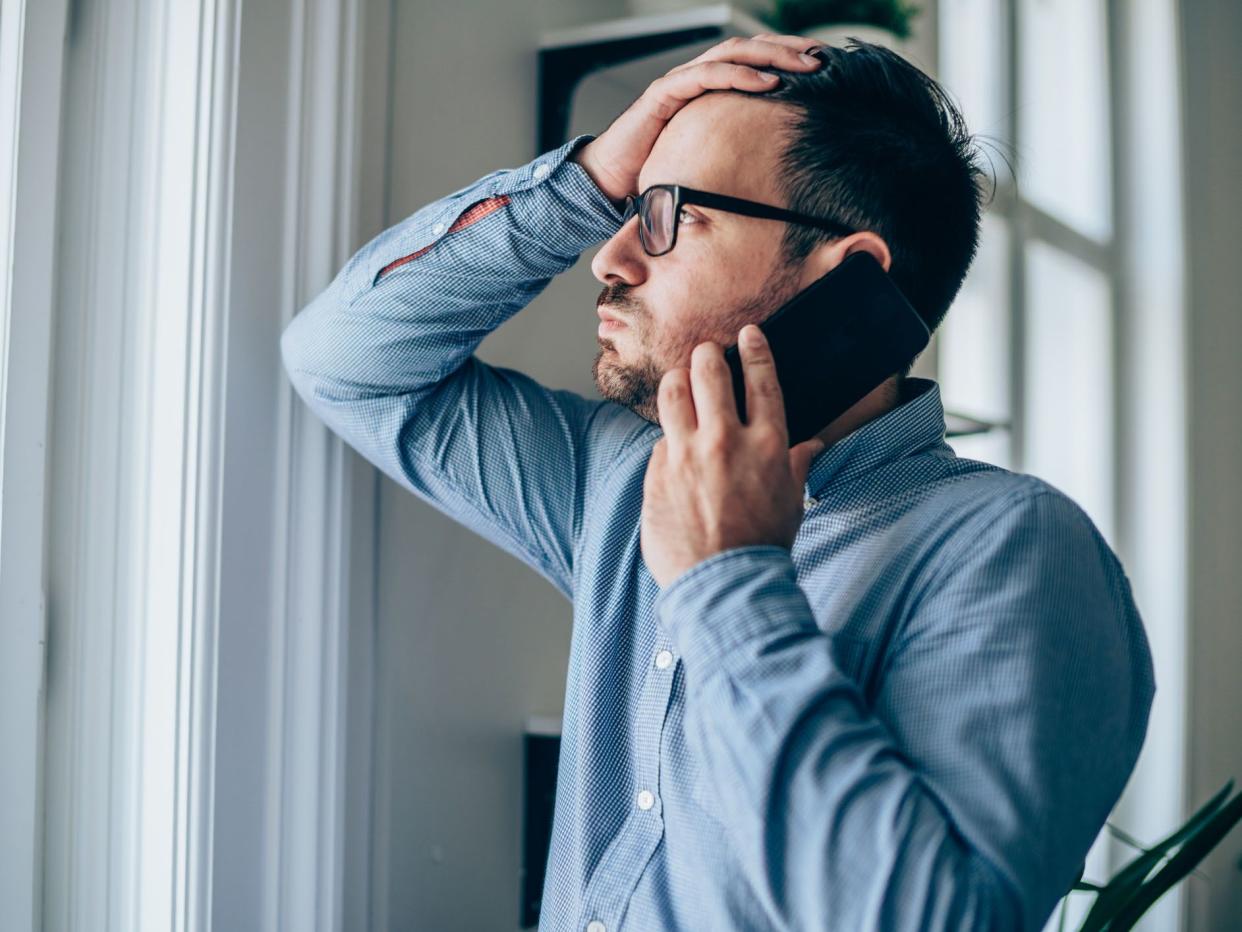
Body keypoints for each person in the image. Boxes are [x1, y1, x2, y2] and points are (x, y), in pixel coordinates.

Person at [280, 34, 1155, 932]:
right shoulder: (621, 481)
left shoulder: (1018, 550)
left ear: (847, 276)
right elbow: (348, 361)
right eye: (625, 206)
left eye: (665, 211)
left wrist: (727, 578)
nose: (608, 257)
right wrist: (584, 182)